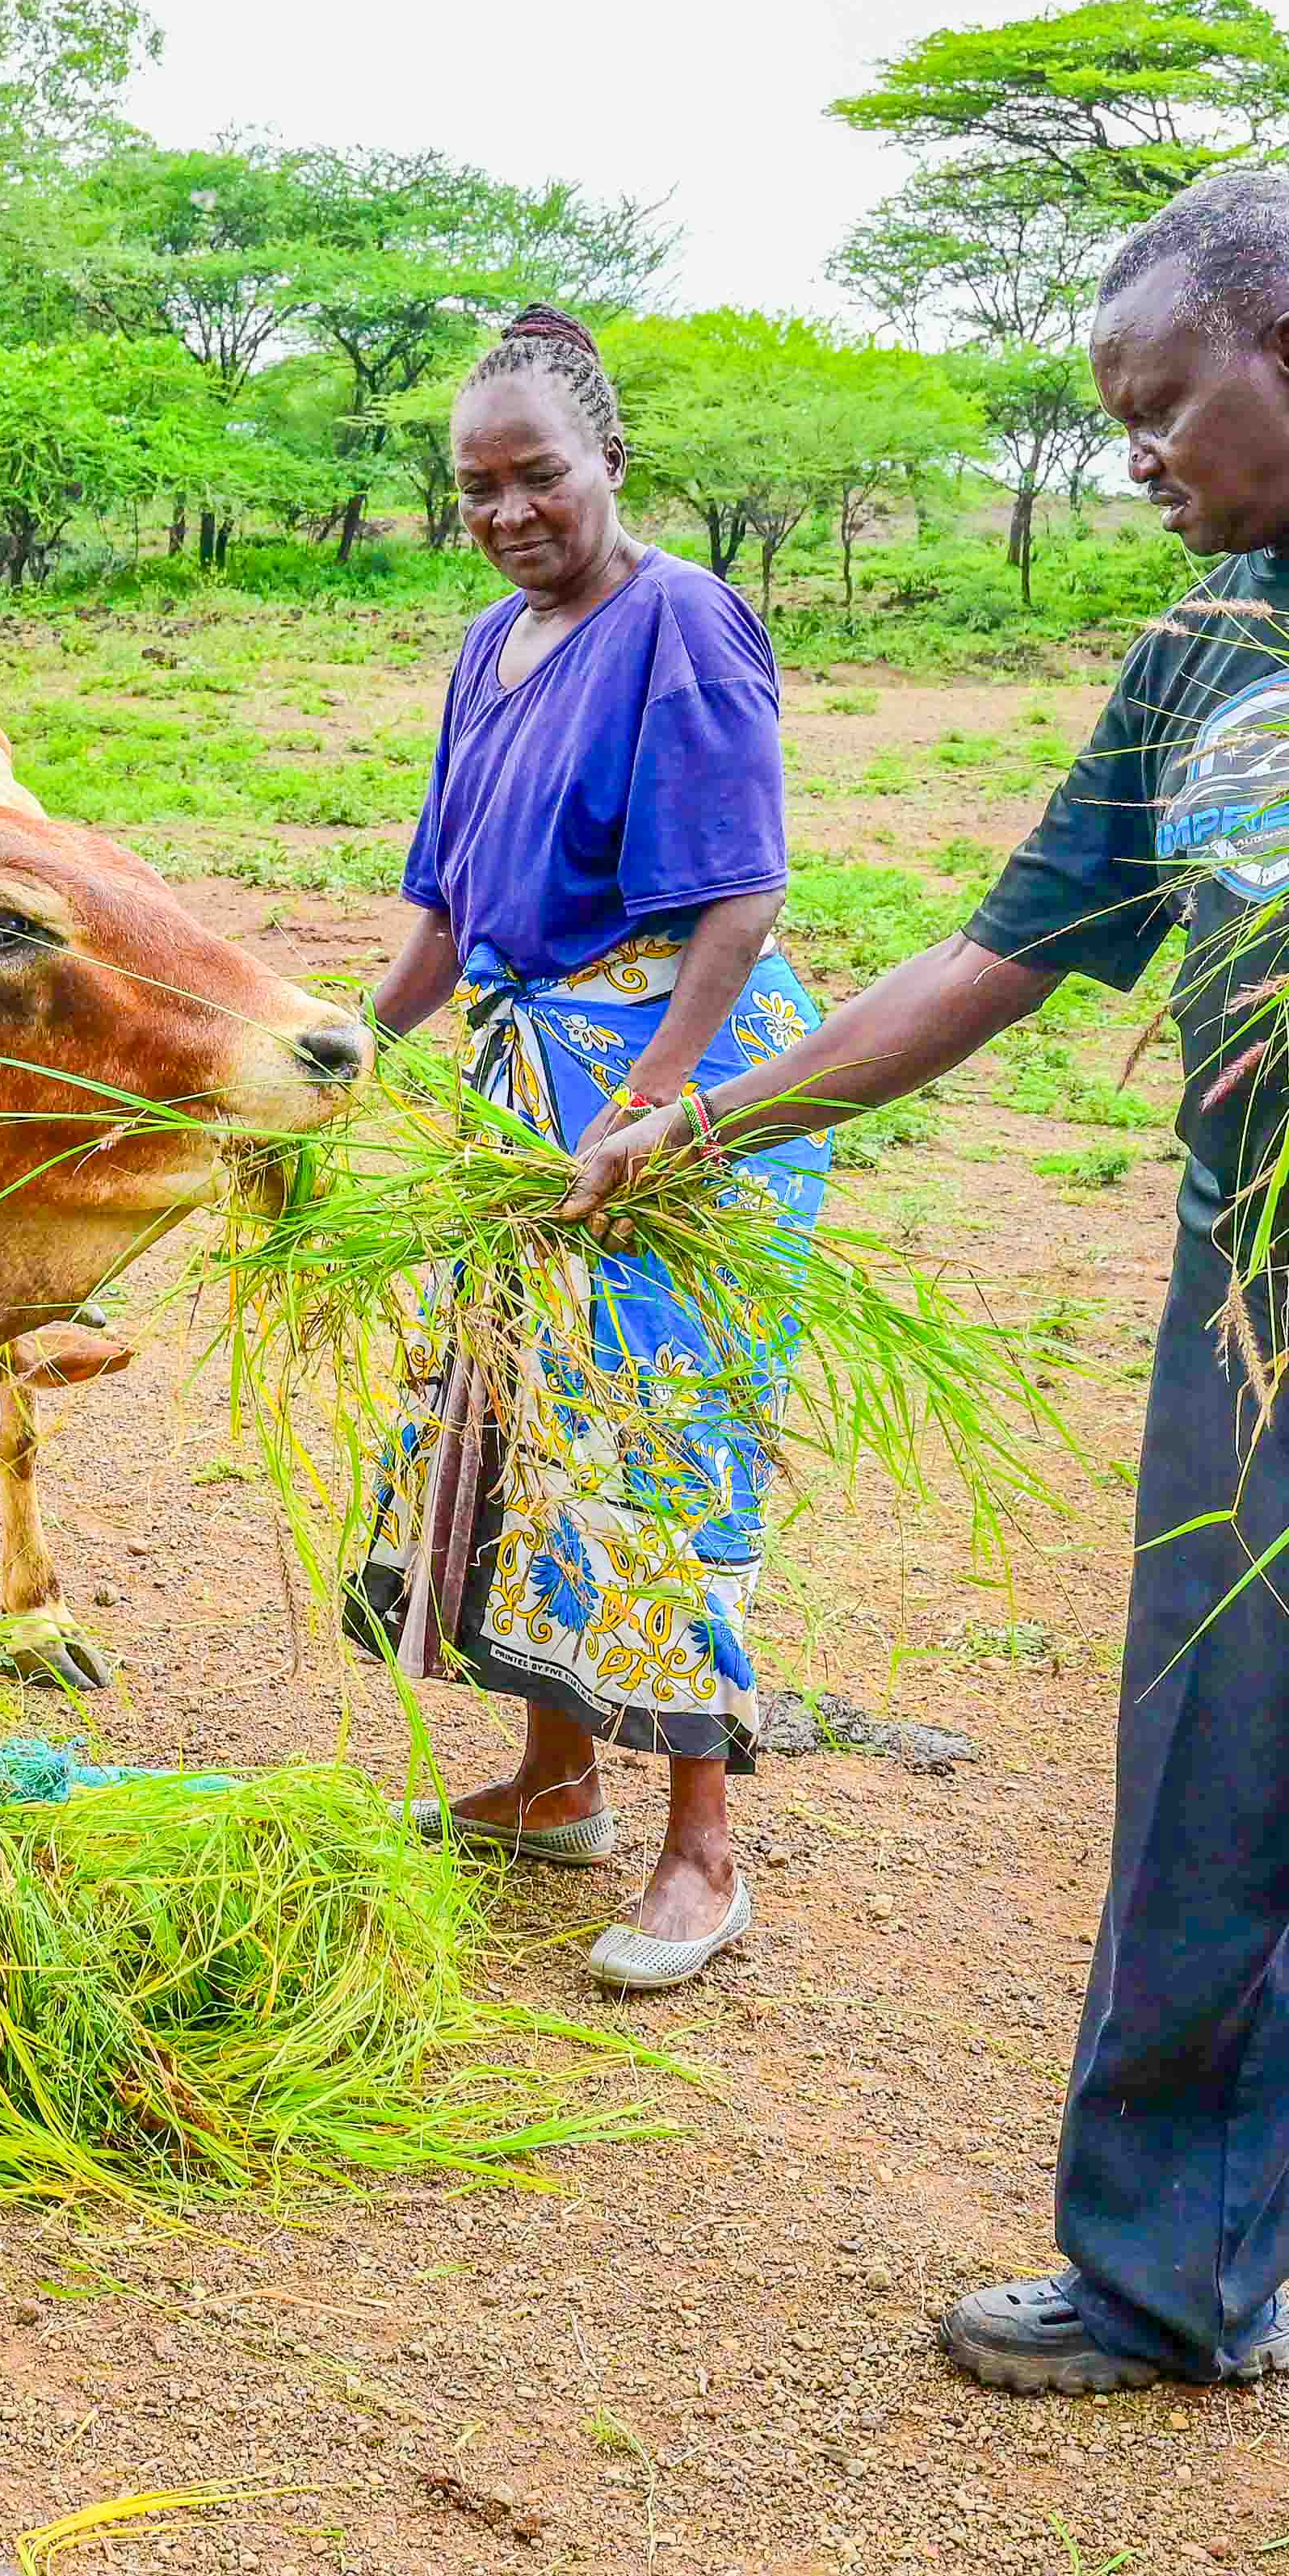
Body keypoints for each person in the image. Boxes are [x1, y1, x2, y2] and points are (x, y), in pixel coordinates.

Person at [565, 172, 1289, 2576]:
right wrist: (707, 1117)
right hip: (1252, 1306)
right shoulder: (1196, 648)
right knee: (1212, 1809)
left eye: (1156, 409)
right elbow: (1000, 952)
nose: (1137, 462)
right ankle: (1171, 2275)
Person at [353, 304, 816, 1995]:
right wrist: (351, 1044)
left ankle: (703, 1850)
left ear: (609, 462)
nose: (507, 510)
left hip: (667, 1084)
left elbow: (739, 897)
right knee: (520, 1419)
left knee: (653, 1435)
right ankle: (557, 1782)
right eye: (476, 487)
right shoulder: (490, 646)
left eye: (536, 474)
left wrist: (653, 1111)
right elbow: (446, 906)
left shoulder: (680, 620)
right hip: (526, 1081)